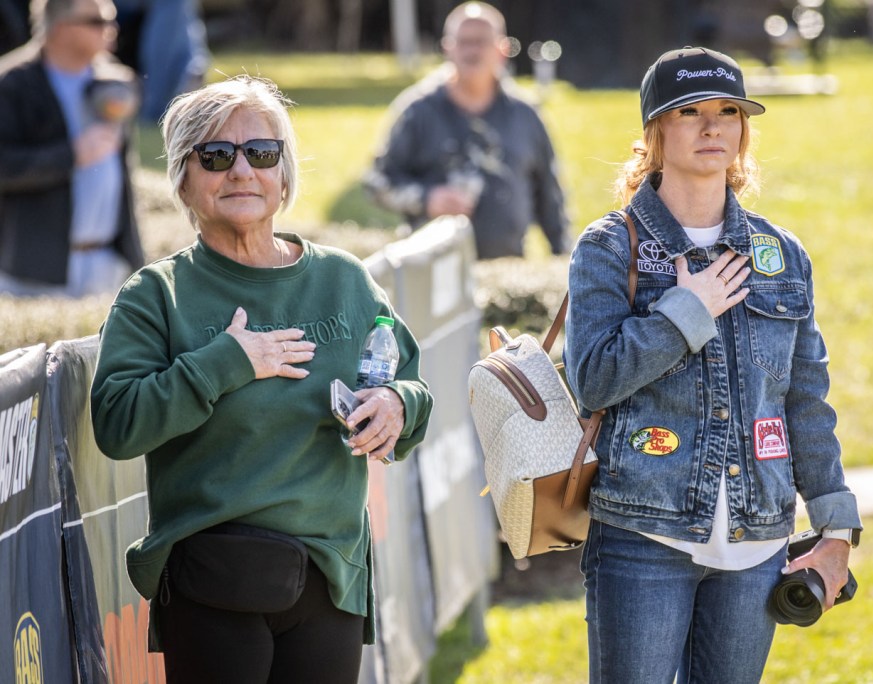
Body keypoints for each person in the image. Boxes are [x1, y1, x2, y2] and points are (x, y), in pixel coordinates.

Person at [90, 75, 433, 683]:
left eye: (262, 153)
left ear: (284, 173)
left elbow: (410, 385)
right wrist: (225, 362)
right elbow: (117, 424)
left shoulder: (344, 280)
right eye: (216, 156)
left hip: (331, 576)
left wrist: (397, 405)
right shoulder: (156, 294)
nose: (242, 171)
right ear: (183, 178)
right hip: (212, 579)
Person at [563, 47, 862, 683]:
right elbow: (592, 380)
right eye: (689, 112)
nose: (711, 127)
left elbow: (805, 400)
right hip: (643, 540)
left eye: (728, 112)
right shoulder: (609, 246)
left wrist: (835, 529)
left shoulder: (781, 254)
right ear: (655, 131)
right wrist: (684, 315)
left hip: (758, 546)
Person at [363, 1, 569, 259]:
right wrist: (427, 199)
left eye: (481, 41)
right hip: (431, 268)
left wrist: (563, 259)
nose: (472, 51)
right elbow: (376, 183)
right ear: (447, 48)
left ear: (503, 49)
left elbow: (551, 199)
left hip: (506, 268)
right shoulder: (418, 111)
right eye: (463, 42)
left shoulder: (525, 115)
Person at [0, 0, 144, 296]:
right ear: (61, 27)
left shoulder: (115, 80)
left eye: (111, 20)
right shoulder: (12, 84)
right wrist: (70, 155)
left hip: (108, 265)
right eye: (97, 21)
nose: (111, 29)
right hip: (34, 273)